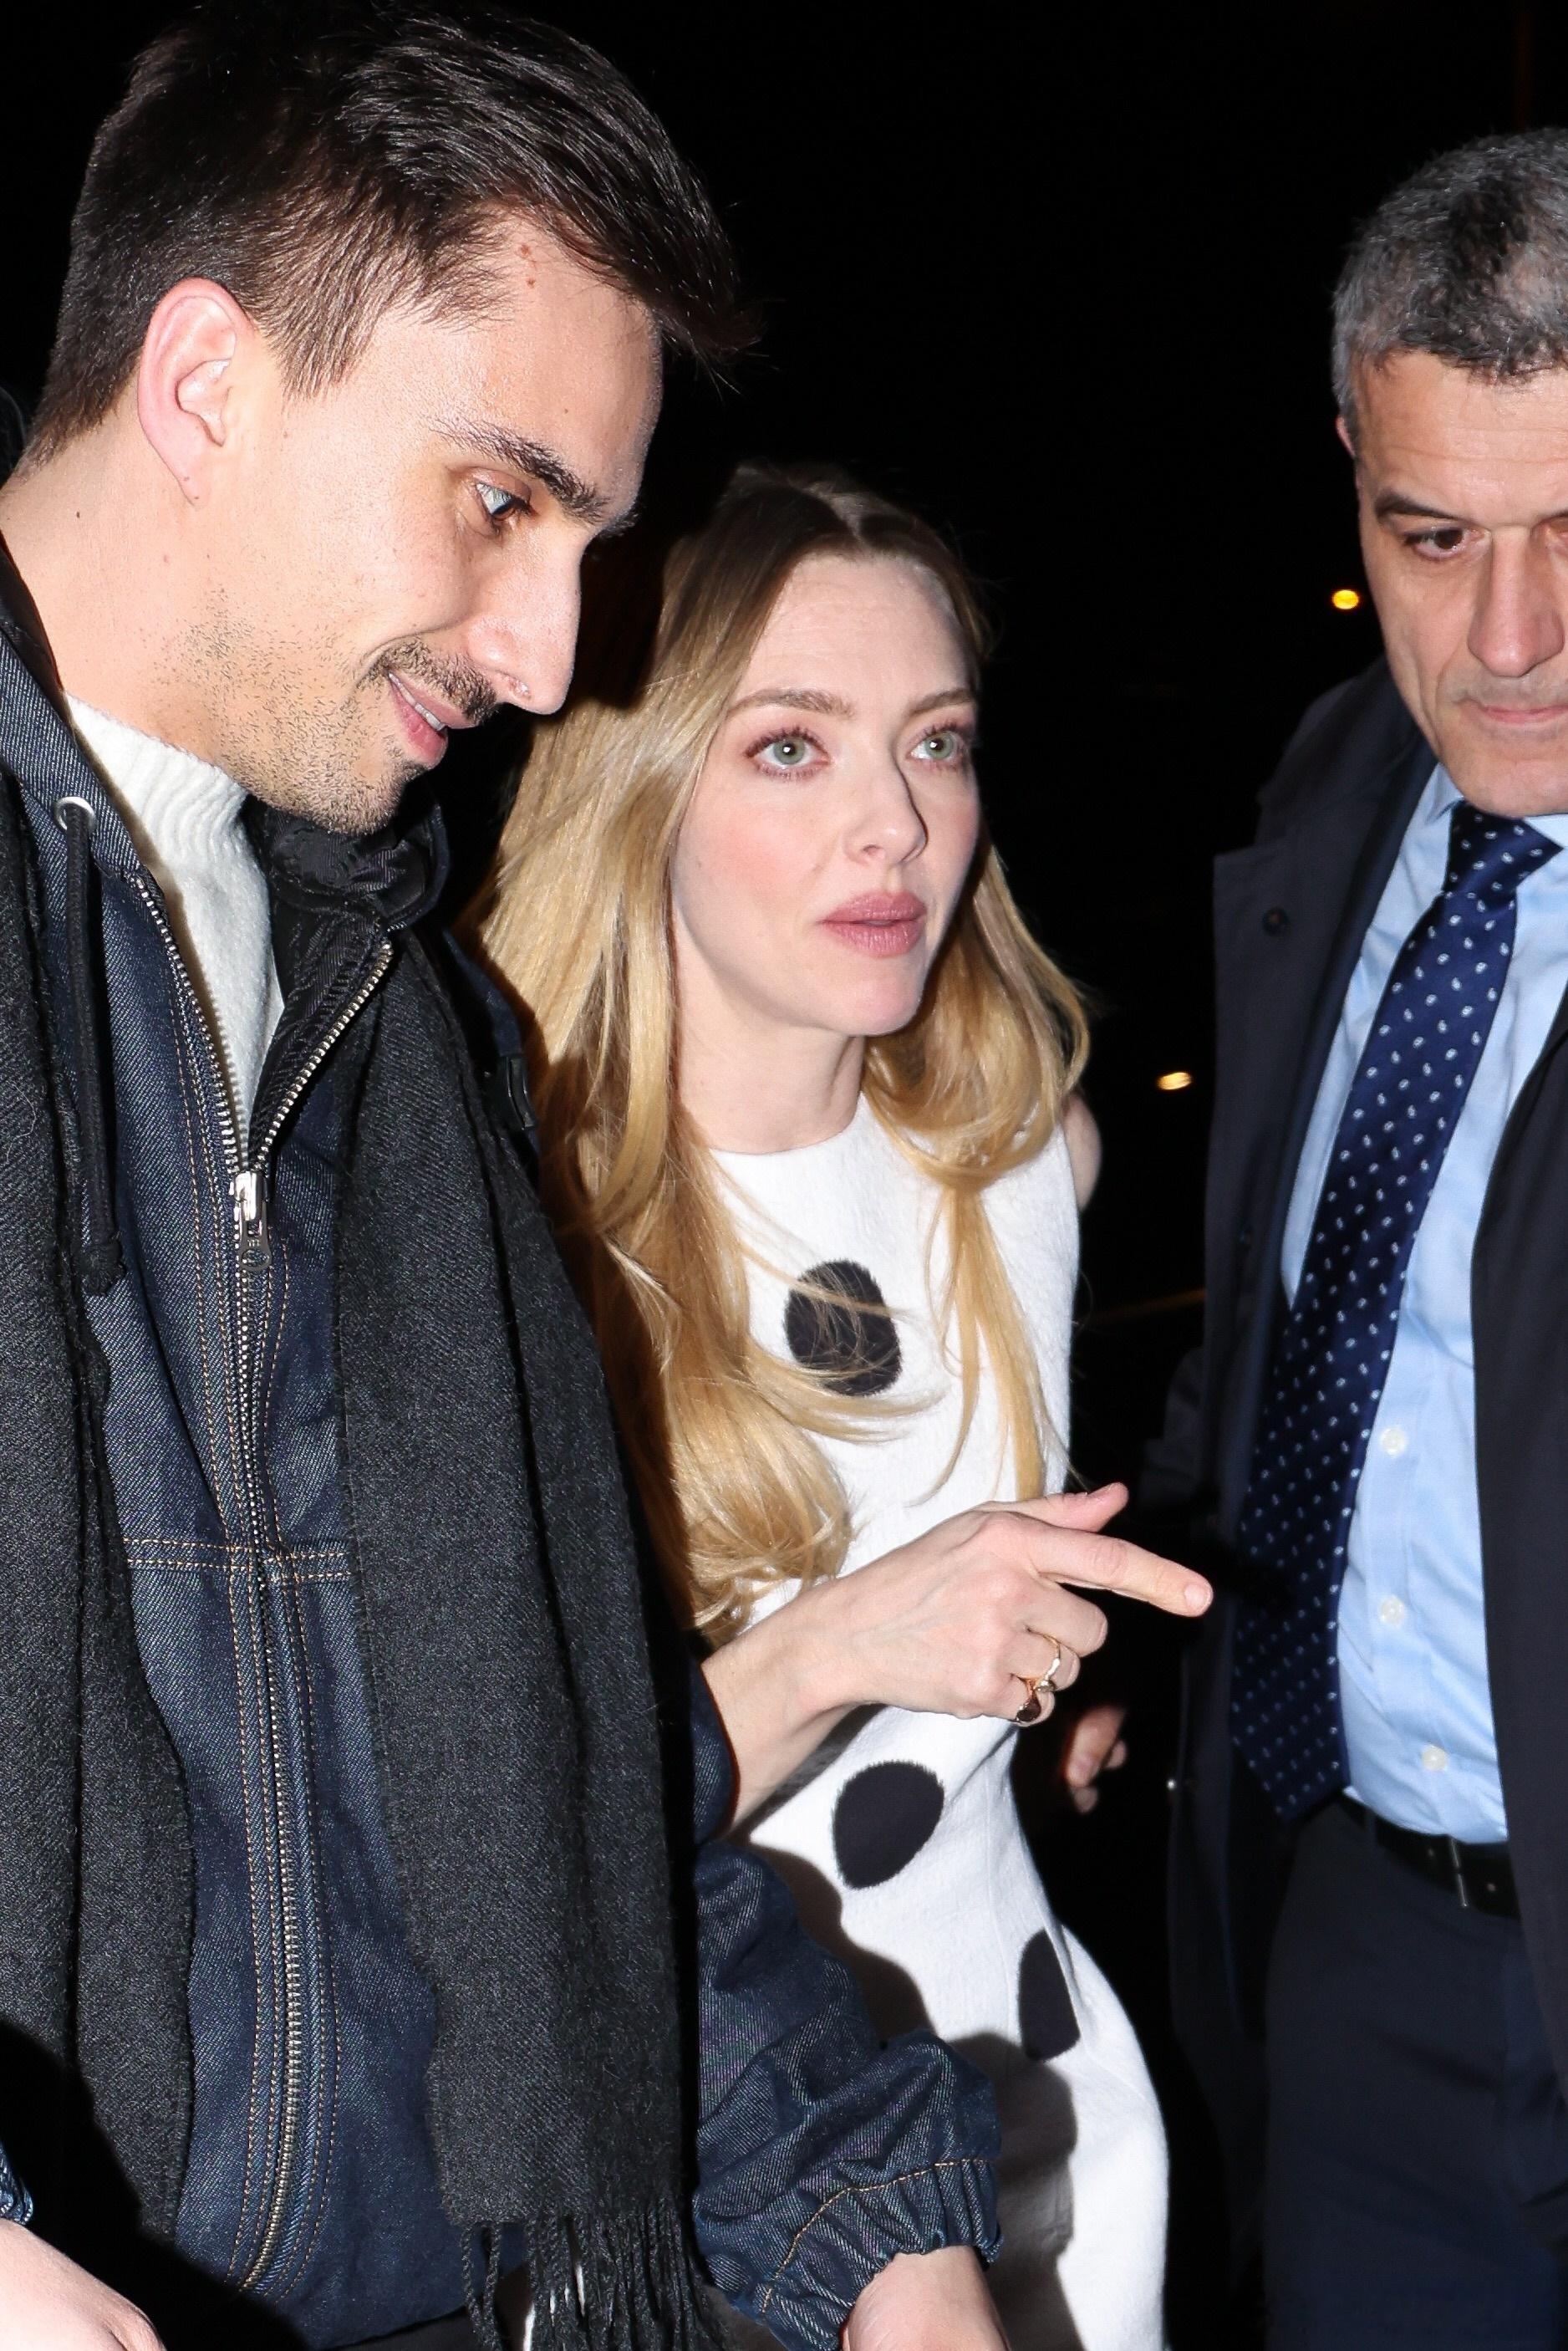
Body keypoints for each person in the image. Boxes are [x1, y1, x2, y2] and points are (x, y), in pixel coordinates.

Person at [0, 12, 1016, 2349]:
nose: (555, 657)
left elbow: (572, 1807)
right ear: (205, 381)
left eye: (589, 539)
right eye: (497, 499)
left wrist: (880, 2225)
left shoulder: (408, 1015)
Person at [475, 462, 1215, 2348]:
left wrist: (1041, 1673)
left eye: (936, 741)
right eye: (791, 748)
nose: (895, 823)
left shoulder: (1025, 1163)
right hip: (734, 2194)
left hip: (1041, 2102)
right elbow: (495, 1866)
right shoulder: (514, 1242)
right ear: (637, 784)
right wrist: (842, 1649)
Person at [1153, 128, 1568, 2349]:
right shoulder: (1331, 790)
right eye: (1432, 535)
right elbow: (1279, 1317)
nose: (1508, 640)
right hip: (1357, 1940)